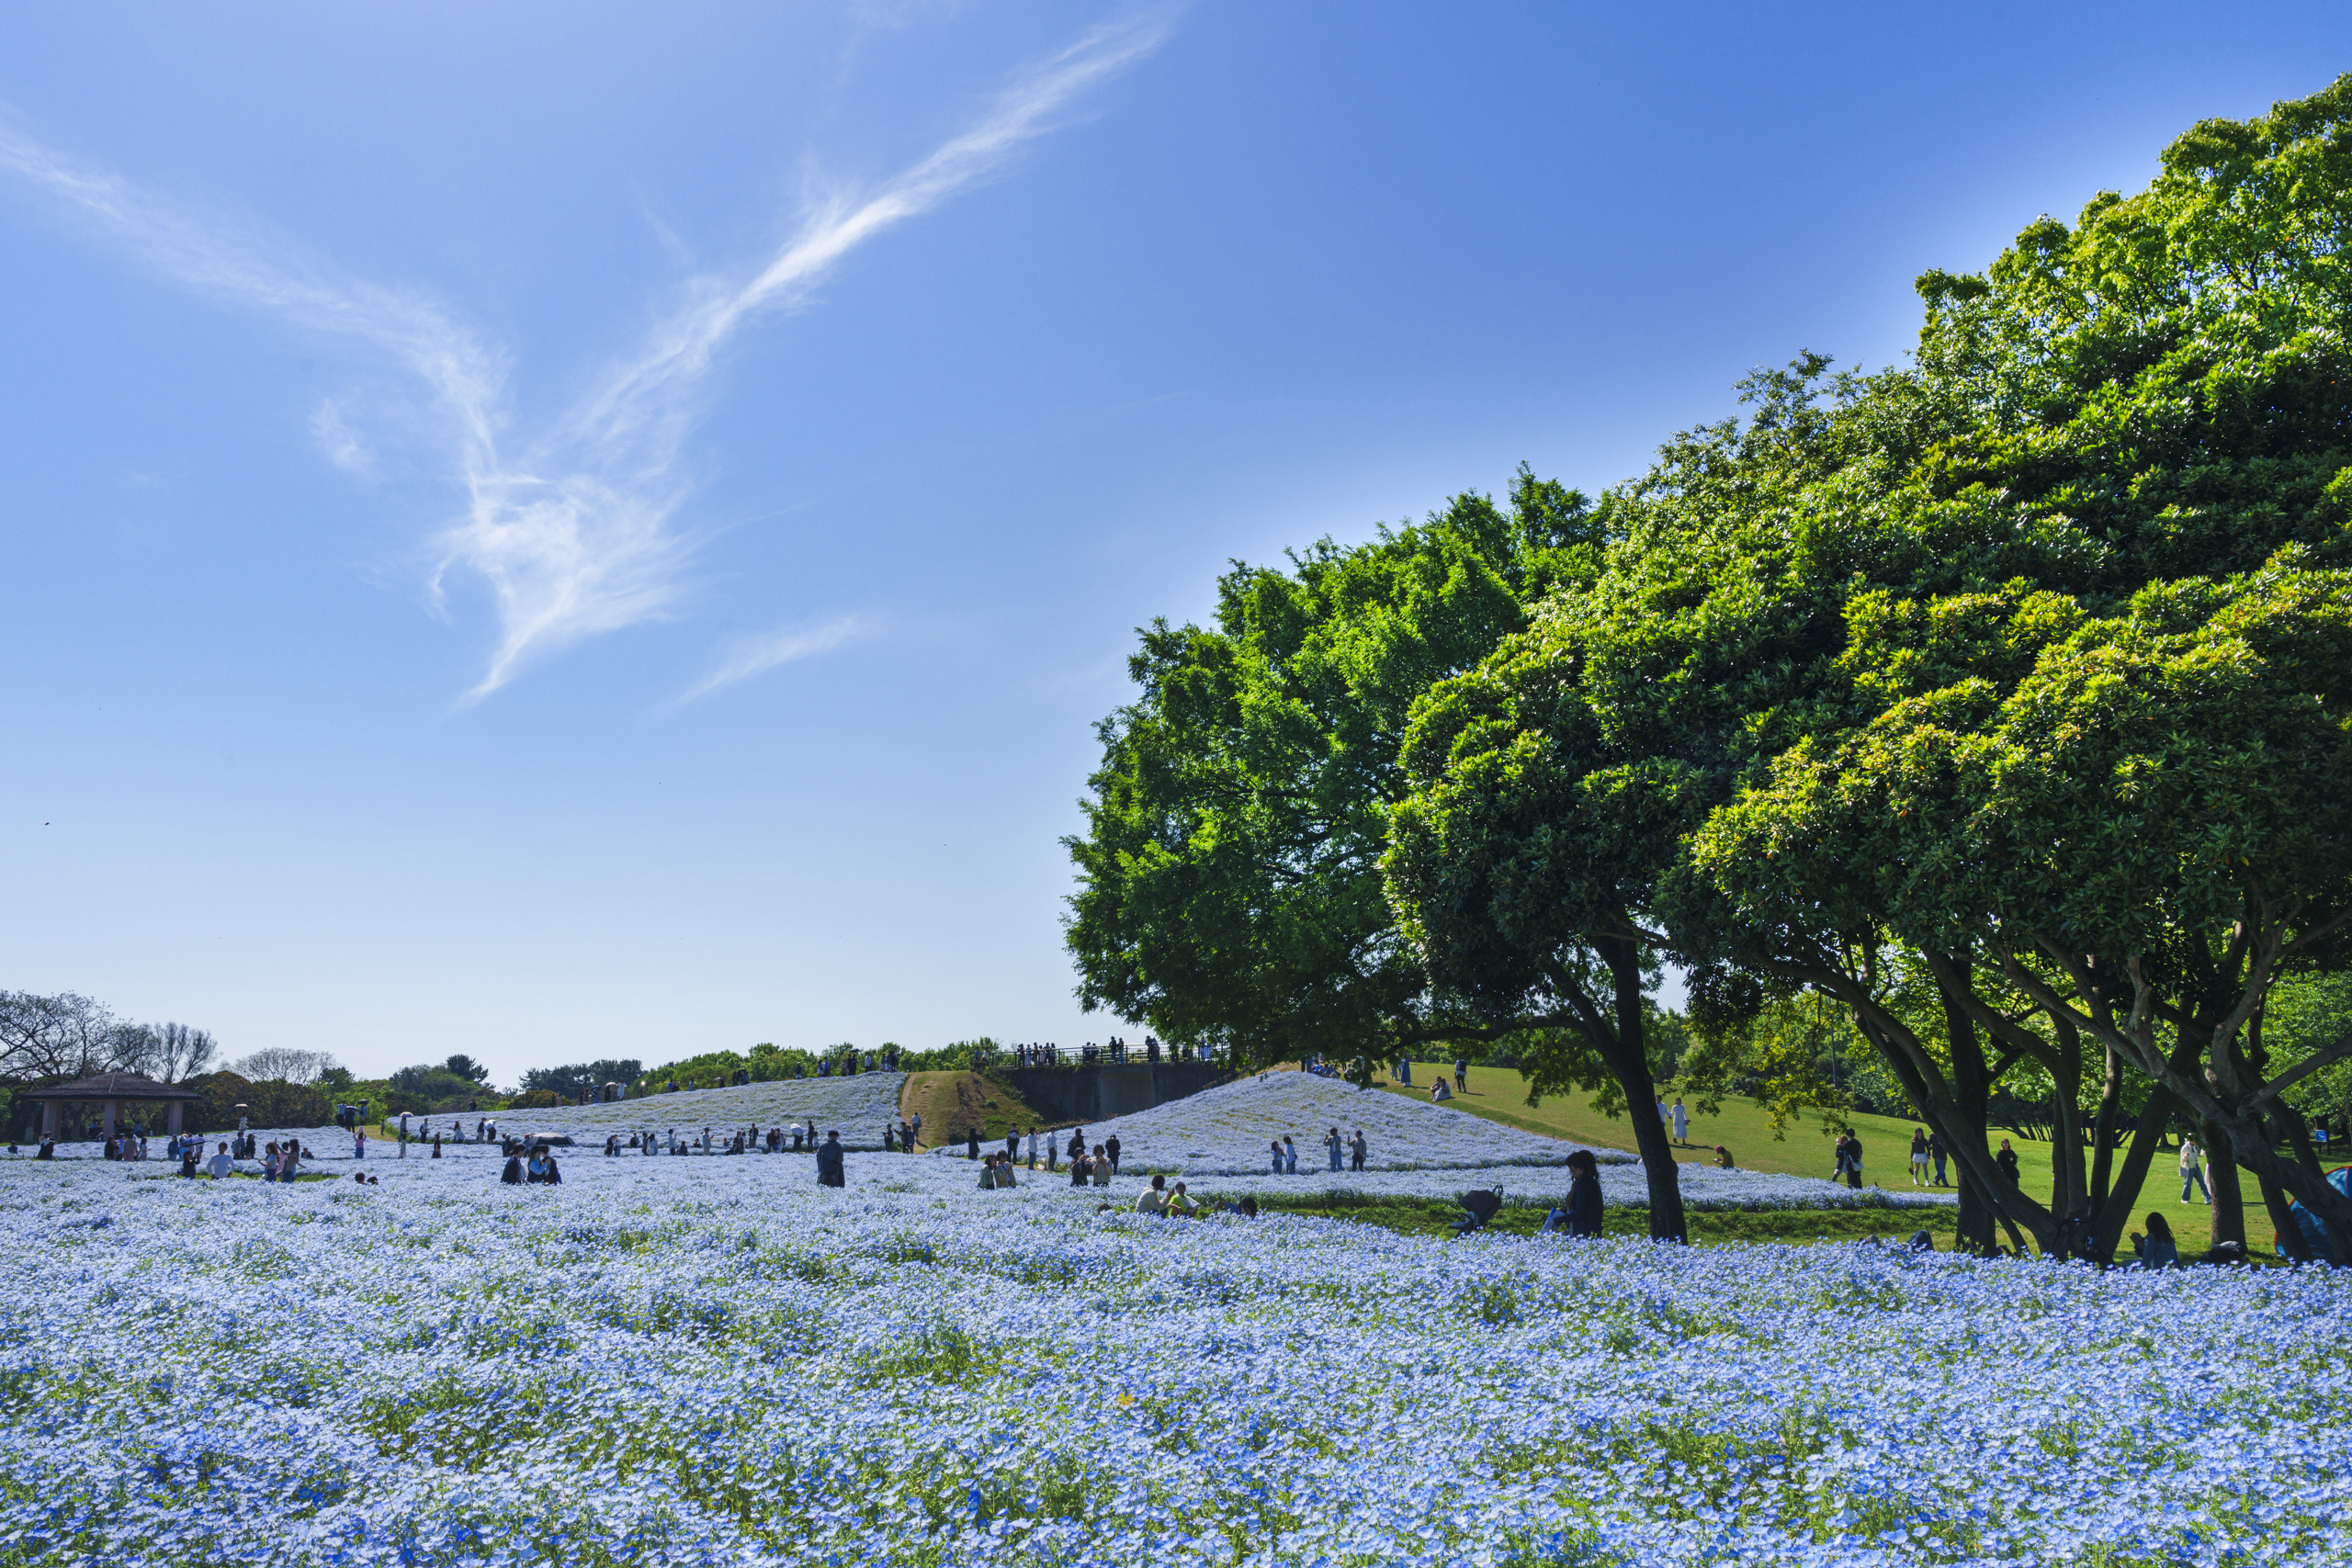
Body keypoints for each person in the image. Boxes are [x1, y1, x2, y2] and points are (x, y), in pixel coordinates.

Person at [1564, 1149, 1603, 1237]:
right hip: (1587, 1230)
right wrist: (1560, 1213)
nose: (1570, 1171)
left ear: (1580, 1169)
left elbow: (1580, 1211)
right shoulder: (1587, 1183)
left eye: (1572, 1168)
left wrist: (1560, 1219)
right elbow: (1576, 1206)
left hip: (1584, 1232)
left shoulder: (1584, 1184)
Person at [2179, 1134, 2211, 1204]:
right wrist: (2186, 1156)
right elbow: (2182, 1160)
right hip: (2189, 1168)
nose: (2196, 1142)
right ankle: (2185, 1199)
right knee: (2188, 1184)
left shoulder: (2194, 1147)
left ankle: (2208, 1198)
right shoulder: (2185, 1148)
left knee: (2202, 1183)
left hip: (2196, 1167)